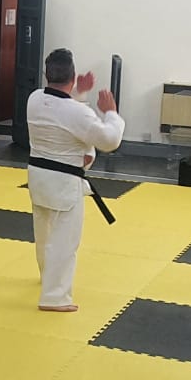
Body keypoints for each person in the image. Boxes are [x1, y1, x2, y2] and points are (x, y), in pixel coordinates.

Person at [25, 48, 124, 312]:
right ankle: (54, 297)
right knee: (64, 241)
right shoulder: (77, 112)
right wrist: (111, 113)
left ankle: (47, 277)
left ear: (46, 74)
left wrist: (79, 92)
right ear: (72, 75)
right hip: (64, 183)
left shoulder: (34, 99)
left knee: (44, 233)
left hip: (38, 178)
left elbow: (61, 110)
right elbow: (109, 141)